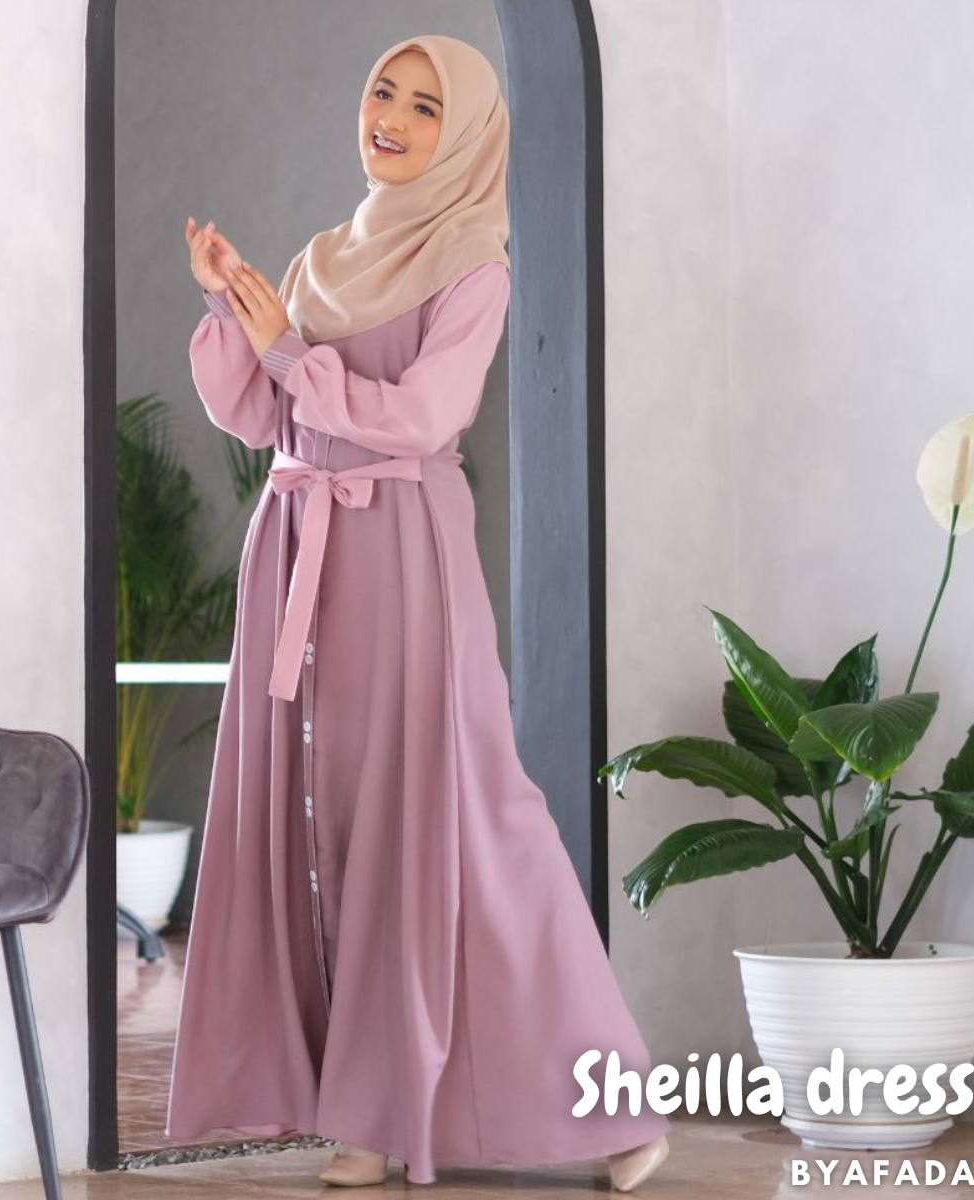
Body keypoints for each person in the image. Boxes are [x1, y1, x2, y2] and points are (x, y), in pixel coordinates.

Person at [164, 33, 671, 1191]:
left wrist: (288, 350)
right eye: (384, 92)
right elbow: (266, 417)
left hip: (401, 549)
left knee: (469, 814)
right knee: (333, 820)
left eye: (427, 105)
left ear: (469, 134)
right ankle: (370, 1112)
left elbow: (420, 416)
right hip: (300, 549)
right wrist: (233, 308)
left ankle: (620, 1106)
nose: (391, 116)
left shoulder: (473, 264)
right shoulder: (321, 259)